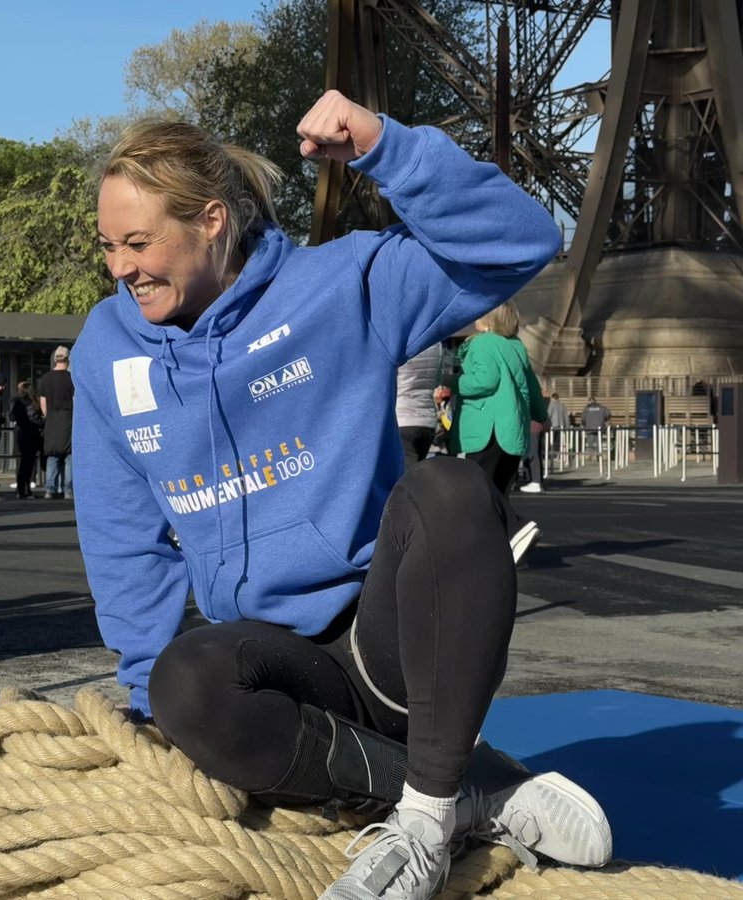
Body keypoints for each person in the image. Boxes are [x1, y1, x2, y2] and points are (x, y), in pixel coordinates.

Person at [72, 92, 610, 900]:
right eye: (110, 245)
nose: (121, 268)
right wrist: (154, 701)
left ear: (212, 220)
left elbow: (525, 241)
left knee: (453, 489)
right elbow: (122, 536)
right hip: (278, 666)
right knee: (180, 684)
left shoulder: (342, 284)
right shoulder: (107, 349)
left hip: (388, 644)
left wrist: (388, 148)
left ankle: (426, 819)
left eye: (140, 242)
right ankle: (480, 790)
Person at [450, 301, 549, 562]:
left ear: (488, 319)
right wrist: (541, 416)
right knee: (499, 489)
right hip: (511, 429)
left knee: (479, 491)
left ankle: (516, 527)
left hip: (485, 428)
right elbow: (532, 386)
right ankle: (497, 549)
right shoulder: (516, 347)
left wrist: (453, 382)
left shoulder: (482, 343)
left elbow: (483, 381)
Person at [395, 343, 444, 471]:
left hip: (403, 416)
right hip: (427, 420)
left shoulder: (401, 343)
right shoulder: (436, 344)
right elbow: (438, 380)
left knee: (407, 477)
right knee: (417, 472)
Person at [38, 345, 74, 499]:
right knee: (69, 456)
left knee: (52, 456)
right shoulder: (71, 378)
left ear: (55, 359)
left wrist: (48, 416)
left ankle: (50, 488)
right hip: (68, 419)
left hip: (52, 421)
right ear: (68, 359)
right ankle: (68, 490)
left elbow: (43, 403)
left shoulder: (45, 379)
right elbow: (75, 400)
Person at [10, 381, 44, 498]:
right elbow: (35, 418)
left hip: (21, 434)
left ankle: (21, 489)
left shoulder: (16, 401)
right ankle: (25, 489)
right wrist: (41, 422)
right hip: (31, 434)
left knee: (23, 463)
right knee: (28, 464)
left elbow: (12, 416)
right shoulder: (32, 403)